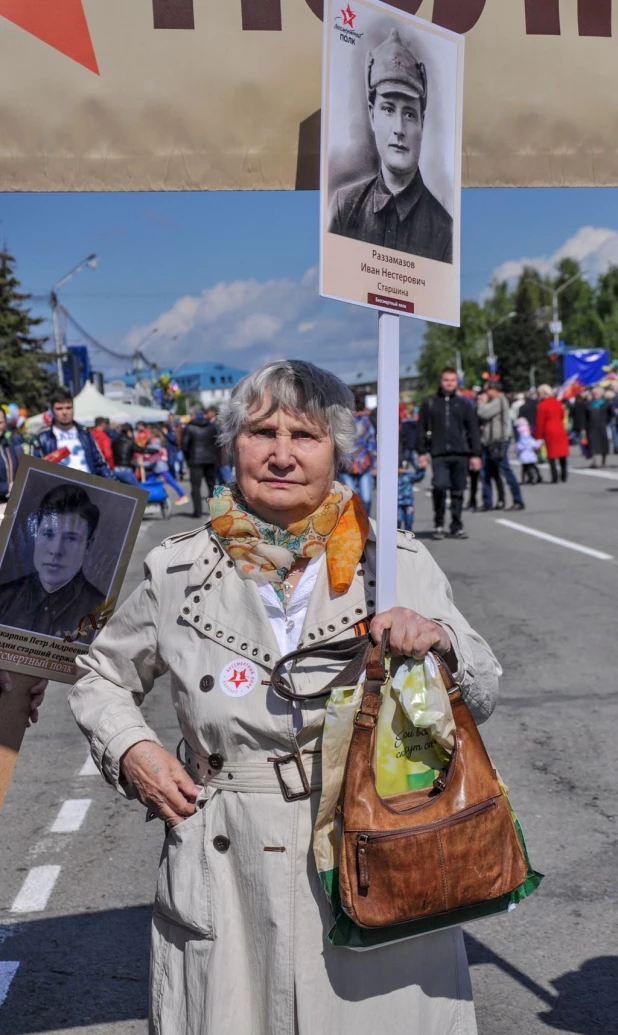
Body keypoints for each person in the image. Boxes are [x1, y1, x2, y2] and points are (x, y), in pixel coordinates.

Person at [69, 358, 500, 1035]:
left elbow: (486, 680)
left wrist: (438, 638)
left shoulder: (394, 562)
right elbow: (101, 673)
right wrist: (132, 749)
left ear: (337, 451)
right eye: (261, 431)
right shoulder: (177, 569)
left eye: (304, 435)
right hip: (225, 863)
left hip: (376, 848)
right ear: (232, 444)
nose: (280, 453)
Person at [328, 28, 452, 263]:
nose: (399, 129)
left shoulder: (446, 232)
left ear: (422, 123)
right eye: (388, 109)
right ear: (372, 115)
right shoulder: (344, 207)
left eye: (409, 114)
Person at [0, 484, 105, 641]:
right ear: (36, 535)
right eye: (48, 534)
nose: (56, 550)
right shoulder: (4, 598)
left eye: (70, 538)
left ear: (87, 546)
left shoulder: (101, 609)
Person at [417, 368, 482, 540]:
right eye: (446, 380)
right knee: (439, 486)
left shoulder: (464, 404)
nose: (449, 383)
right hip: (439, 454)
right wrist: (422, 452)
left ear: (456, 382)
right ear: (441, 381)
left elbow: (473, 430)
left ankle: (456, 525)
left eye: (452, 380)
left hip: (460, 453)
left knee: (458, 491)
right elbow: (421, 428)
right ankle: (438, 523)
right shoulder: (430, 403)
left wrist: (475, 454)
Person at [33, 388, 114, 479]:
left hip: (86, 486)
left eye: (68, 408)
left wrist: (114, 486)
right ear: (52, 410)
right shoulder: (42, 437)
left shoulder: (85, 433)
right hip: (59, 488)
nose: (64, 412)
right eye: (59, 409)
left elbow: (100, 464)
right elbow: (34, 470)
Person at [477, 384, 525, 511]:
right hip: (489, 441)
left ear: (494, 390)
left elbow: (483, 413)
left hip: (498, 441)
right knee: (486, 473)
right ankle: (488, 501)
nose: (486, 392)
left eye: (488, 390)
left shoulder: (499, 400)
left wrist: (482, 402)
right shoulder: (494, 401)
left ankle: (518, 499)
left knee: (505, 470)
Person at [340, 394, 377, 515]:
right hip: (345, 467)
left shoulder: (366, 422)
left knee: (366, 499)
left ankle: (366, 523)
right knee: (351, 499)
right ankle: (354, 527)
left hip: (364, 465)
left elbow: (371, 442)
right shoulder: (341, 421)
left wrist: (375, 463)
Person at [181, 405, 220, 518]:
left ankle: (197, 512)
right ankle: (214, 511)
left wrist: (188, 457)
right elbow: (218, 442)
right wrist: (214, 453)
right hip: (210, 459)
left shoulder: (190, 427)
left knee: (195, 486)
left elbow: (184, 445)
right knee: (212, 485)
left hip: (195, 459)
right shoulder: (212, 426)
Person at [536, 384, 570, 482]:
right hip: (560, 428)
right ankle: (564, 475)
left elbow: (540, 422)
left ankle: (554, 477)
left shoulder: (542, 405)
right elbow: (562, 415)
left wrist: (539, 436)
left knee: (552, 455)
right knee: (562, 454)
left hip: (549, 430)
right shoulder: (558, 402)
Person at [585, 387, 612, 469]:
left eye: (597, 393)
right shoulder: (589, 403)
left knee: (603, 443)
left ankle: (603, 461)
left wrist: (606, 421)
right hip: (592, 426)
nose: (595, 395)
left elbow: (610, 414)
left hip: (602, 425)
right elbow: (585, 415)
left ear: (600, 394)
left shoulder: (606, 403)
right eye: (594, 394)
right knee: (593, 444)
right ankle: (594, 462)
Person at [397, 453, 424, 531]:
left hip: (408, 503)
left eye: (404, 468)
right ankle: (398, 539)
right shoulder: (392, 477)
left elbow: (418, 476)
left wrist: (422, 469)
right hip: (397, 503)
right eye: (400, 468)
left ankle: (408, 539)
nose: (402, 470)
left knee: (409, 521)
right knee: (397, 521)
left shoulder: (409, 476)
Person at [515, 417, 543, 484]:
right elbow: (535, 445)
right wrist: (540, 442)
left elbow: (518, 448)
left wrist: (518, 452)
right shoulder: (530, 439)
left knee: (524, 469)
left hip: (524, 458)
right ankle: (536, 478)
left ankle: (523, 479)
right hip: (531, 456)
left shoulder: (520, 441)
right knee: (534, 467)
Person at [0, 407, 18, 505]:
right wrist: (6, 487)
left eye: (0, 422)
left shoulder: (8, 446)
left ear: (5, 423)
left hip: (10, 504)